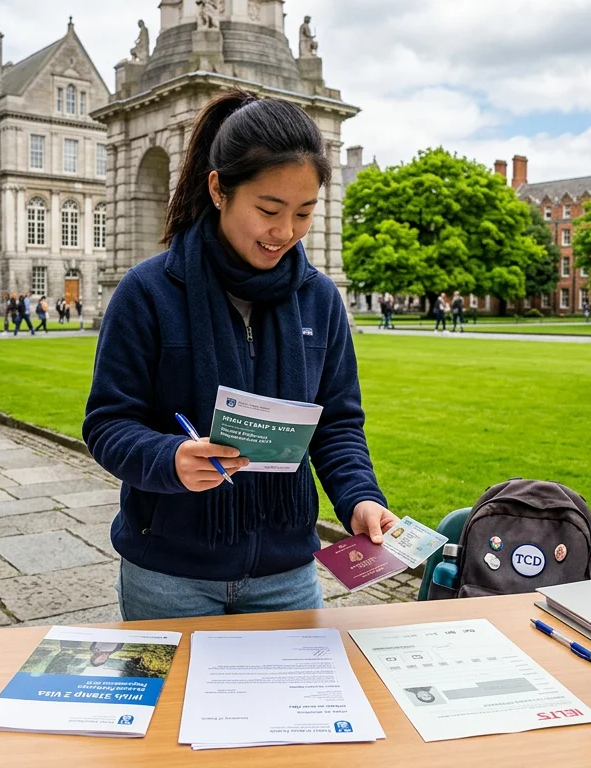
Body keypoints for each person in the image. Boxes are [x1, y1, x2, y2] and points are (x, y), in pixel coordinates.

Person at [83, 89, 395, 621]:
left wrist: (360, 498)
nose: (285, 232)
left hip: (288, 576)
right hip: (169, 578)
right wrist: (169, 459)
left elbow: (338, 424)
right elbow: (108, 423)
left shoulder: (320, 299)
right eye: (268, 209)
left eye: (304, 212)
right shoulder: (147, 291)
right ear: (219, 190)